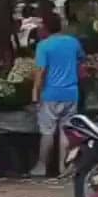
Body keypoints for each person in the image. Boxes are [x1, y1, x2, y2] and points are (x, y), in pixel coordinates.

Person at [31, 11, 85, 177]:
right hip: (71, 93)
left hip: (50, 94)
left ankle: (41, 167)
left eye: (40, 26)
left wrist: (35, 94)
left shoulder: (44, 46)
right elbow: (81, 60)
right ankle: (63, 167)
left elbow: (40, 72)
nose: (39, 29)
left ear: (46, 28)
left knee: (47, 132)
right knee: (65, 131)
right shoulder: (73, 42)